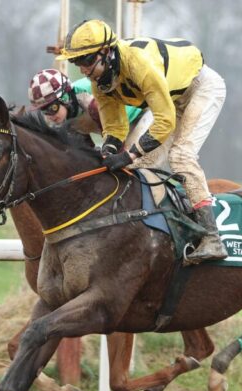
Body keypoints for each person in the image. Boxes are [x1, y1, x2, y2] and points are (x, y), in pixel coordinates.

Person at [57, 19, 227, 265]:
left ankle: (212, 237)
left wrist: (128, 154)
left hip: (201, 88)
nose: (82, 69)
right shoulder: (100, 81)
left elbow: (164, 121)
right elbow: (115, 127)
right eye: (77, 62)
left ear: (106, 51)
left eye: (86, 60)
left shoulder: (138, 64)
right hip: (171, 100)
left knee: (180, 156)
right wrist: (109, 151)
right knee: (139, 166)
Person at [27, 68, 151, 150]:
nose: (50, 116)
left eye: (52, 108)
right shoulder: (64, 117)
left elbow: (116, 135)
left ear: (64, 98)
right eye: (44, 111)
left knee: (132, 163)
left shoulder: (87, 99)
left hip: (144, 114)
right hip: (122, 129)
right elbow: (86, 149)